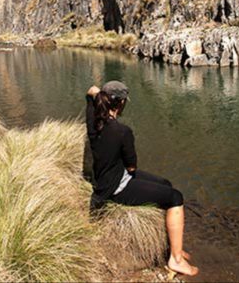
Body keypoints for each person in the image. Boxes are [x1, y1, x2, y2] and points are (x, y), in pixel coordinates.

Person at [85, 81, 199, 277]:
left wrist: (97, 94)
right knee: (175, 197)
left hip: (108, 179)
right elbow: (132, 166)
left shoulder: (92, 119)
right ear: (120, 104)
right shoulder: (123, 132)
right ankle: (176, 260)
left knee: (165, 185)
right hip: (116, 189)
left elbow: (91, 91)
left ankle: (174, 246)